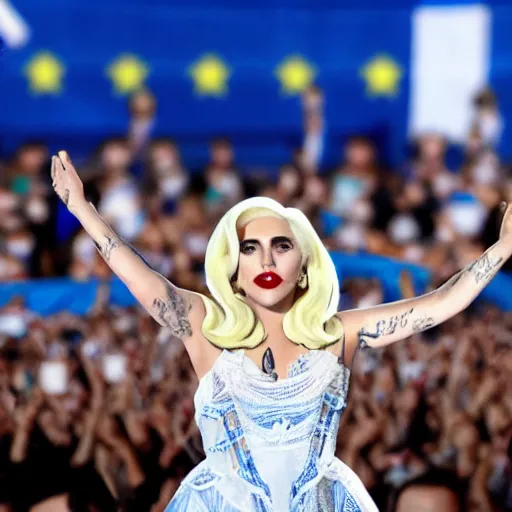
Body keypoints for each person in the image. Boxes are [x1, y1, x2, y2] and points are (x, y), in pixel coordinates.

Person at [50, 150, 512, 512]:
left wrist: (502, 249)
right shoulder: (205, 327)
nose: (266, 261)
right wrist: (84, 209)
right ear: (232, 270)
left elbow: (437, 306)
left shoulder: (338, 334)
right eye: (249, 248)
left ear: (305, 266)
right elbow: (140, 277)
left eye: (281, 246)